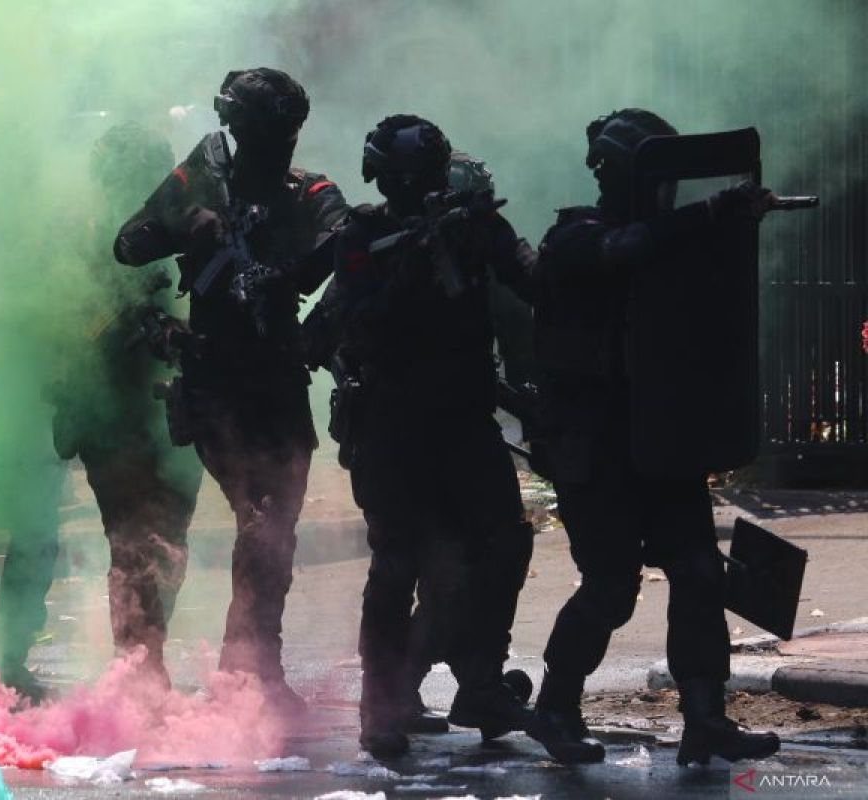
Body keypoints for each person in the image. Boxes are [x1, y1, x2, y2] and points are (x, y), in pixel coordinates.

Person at [528, 108, 781, 765]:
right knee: (611, 586)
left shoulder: (672, 239)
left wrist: (731, 221)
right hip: (596, 447)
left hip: (662, 440)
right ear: (617, 173)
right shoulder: (573, 237)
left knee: (698, 573)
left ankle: (706, 719)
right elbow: (622, 250)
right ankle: (555, 708)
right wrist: (708, 215)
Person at [113, 68, 348, 714]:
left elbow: (344, 242)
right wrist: (189, 222)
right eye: (272, 130)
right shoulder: (200, 184)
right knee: (260, 523)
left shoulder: (308, 191)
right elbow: (128, 246)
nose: (283, 143)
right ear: (243, 129)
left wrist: (291, 274)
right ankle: (243, 675)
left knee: (275, 530)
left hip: (277, 382)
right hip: (216, 384)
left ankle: (251, 668)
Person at [318, 115, 535, 757]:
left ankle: (482, 682)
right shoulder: (363, 235)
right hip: (392, 428)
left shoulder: (472, 228)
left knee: (501, 546)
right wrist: (411, 263)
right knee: (398, 564)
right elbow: (352, 322)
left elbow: (535, 280)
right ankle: (380, 704)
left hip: (464, 424)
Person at [51, 122, 203, 688]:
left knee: (170, 540)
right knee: (133, 540)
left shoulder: (183, 232)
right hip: (110, 413)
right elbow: (59, 324)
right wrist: (122, 323)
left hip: (173, 410)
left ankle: (144, 654)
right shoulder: (82, 240)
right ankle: (140, 668)